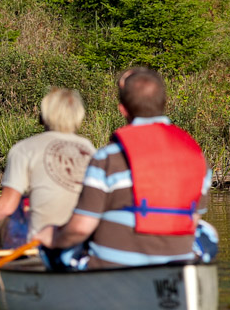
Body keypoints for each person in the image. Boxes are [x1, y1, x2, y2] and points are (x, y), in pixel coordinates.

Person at [36, 68, 217, 270]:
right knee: (207, 232)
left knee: (58, 245)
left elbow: (80, 228)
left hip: (114, 266)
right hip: (177, 260)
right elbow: (191, 221)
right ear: (164, 103)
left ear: (123, 109)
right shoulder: (197, 157)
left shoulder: (107, 158)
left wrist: (51, 236)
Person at [0, 88, 96, 244]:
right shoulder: (90, 149)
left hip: (44, 244)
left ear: (44, 117)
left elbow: (6, 206)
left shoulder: (24, 149)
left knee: (6, 221)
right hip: (89, 241)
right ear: (78, 116)